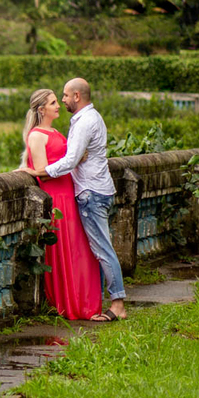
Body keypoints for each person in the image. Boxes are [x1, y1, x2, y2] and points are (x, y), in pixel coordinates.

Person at [22, 78, 127, 322]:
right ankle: (101, 301)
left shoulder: (83, 122)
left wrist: (37, 172)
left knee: (101, 249)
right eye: (55, 100)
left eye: (65, 96)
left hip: (90, 192)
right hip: (90, 190)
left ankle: (118, 303)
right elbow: (74, 157)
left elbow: (69, 161)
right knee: (95, 251)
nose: (62, 102)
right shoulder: (87, 119)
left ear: (77, 96)